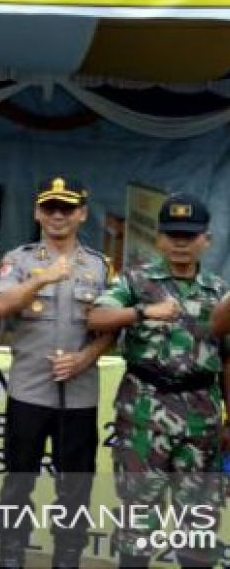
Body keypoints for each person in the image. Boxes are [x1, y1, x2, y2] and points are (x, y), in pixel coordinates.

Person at [90, 193, 229, 569]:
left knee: (199, 519)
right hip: (143, 415)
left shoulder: (220, 294)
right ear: (159, 238)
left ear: (207, 240)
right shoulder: (136, 281)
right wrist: (142, 312)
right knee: (138, 515)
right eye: (173, 234)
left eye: (189, 234)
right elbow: (97, 317)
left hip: (202, 415)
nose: (181, 242)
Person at [0, 177, 114, 569]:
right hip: (28, 391)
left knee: (76, 485)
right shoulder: (19, 259)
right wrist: (42, 277)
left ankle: (67, 558)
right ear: (37, 212)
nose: (58, 215)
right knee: (18, 481)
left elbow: (112, 327)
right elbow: (3, 306)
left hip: (78, 395)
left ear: (82, 214)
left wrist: (86, 357)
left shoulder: (99, 265)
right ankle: (11, 555)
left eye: (67, 208)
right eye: (50, 207)